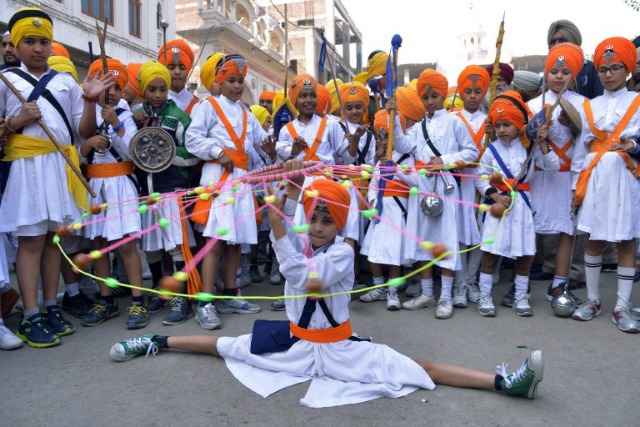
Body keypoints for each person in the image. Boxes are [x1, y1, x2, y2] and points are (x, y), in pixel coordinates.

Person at [108, 165, 544, 408]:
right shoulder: (300, 237)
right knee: (226, 344)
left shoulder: (340, 254)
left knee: (420, 368)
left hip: (341, 351)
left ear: (339, 224)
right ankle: (156, 340)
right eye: (312, 217)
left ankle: (504, 382)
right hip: (295, 346)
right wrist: (274, 195)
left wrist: (278, 226)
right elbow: (285, 222)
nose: (317, 227)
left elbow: (302, 277)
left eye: (326, 220)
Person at [0, 7, 113, 347]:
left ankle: (51, 305)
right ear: (16, 46)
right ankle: (30, 314)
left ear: (52, 45)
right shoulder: (5, 80)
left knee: (54, 239)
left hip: (60, 166)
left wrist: (90, 100)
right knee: (31, 239)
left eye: (44, 42)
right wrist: (16, 122)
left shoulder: (66, 82)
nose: (37, 48)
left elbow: (83, 132)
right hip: (26, 168)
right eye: (29, 41)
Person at [185, 54, 277, 330]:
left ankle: (230, 294)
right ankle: (205, 302)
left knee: (235, 240)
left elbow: (263, 142)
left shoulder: (247, 113)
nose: (236, 86)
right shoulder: (208, 106)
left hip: (242, 181)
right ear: (219, 81)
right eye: (231, 81)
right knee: (216, 241)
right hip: (219, 178)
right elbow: (192, 139)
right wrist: (217, 151)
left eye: (240, 81)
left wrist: (277, 150)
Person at [388, 69, 478, 319]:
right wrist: (394, 119)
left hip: (446, 187)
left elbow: (472, 152)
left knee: (446, 241)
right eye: (425, 97)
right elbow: (402, 146)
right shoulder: (417, 128)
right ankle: (427, 294)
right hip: (422, 185)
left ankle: (446, 297)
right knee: (422, 240)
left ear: (443, 96)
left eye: (435, 96)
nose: (430, 101)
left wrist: (445, 160)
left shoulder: (456, 121)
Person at [570, 37, 640, 333]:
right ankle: (593, 299)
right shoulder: (590, 105)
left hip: (625, 178)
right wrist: (576, 186)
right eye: (602, 69)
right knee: (594, 239)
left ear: (629, 70)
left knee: (626, 241)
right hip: (595, 178)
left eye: (615, 68)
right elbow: (580, 150)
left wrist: (633, 145)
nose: (608, 74)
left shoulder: (637, 102)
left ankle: (621, 306)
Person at [474, 91, 559, 317]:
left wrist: (542, 143)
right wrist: (494, 195)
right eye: (498, 125)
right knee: (491, 252)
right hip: (498, 209)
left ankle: (521, 296)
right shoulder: (491, 151)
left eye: (507, 125)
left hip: (522, 207)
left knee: (525, 253)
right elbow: (481, 177)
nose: (501, 130)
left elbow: (553, 167)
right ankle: (484, 296)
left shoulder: (529, 148)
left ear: (518, 124)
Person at [78, 58, 145, 329]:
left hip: (121, 184)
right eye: (106, 86)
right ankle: (105, 300)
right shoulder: (86, 113)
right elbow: (78, 151)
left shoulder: (126, 115)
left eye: (116, 87)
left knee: (127, 243)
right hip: (97, 187)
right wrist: (88, 145)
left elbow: (134, 152)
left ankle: (138, 301)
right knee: (99, 244)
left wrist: (116, 123)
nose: (111, 92)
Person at [133, 61, 199, 326]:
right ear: (143, 90)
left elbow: (192, 152)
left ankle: (181, 298)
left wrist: (167, 155)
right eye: (152, 89)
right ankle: (161, 291)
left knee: (174, 245)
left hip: (172, 189)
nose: (158, 94)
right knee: (151, 247)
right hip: (145, 190)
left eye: (163, 89)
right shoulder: (136, 115)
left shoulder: (180, 117)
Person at [527, 43, 586, 306]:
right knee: (529, 227)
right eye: (554, 71)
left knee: (567, 230)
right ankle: (521, 282)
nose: (559, 76)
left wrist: (574, 127)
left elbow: (588, 142)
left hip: (568, 176)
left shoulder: (584, 105)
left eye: (565, 71)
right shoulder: (531, 104)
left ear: (573, 75)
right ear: (546, 73)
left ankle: (560, 282)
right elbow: (523, 142)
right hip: (539, 176)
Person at [359, 110, 411, 310]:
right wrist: (372, 202)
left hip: (397, 211)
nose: (384, 142)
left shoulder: (407, 156)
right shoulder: (380, 161)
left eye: (387, 136)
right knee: (373, 250)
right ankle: (379, 286)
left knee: (393, 255)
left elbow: (415, 180)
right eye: (381, 137)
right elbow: (373, 184)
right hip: (379, 211)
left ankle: (392, 292)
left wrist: (397, 169)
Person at [452, 65, 491, 308]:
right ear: (461, 93)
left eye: (478, 91)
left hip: (484, 181)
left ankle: (472, 279)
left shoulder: (491, 120)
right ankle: (459, 283)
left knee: (480, 233)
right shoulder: (452, 119)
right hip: (460, 181)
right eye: (468, 91)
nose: (473, 96)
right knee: (459, 233)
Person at [547, 19, 603, 99]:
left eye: (562, 40)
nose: (557, 45)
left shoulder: (592, 69)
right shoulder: (548, 73)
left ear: (574, 42)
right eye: (552, 42)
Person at [158, 39, 200, 116]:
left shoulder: (199, 105)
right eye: (171, 67)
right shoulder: (155, 102)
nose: (177, 72)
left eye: (182, 67)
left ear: (188, 70)